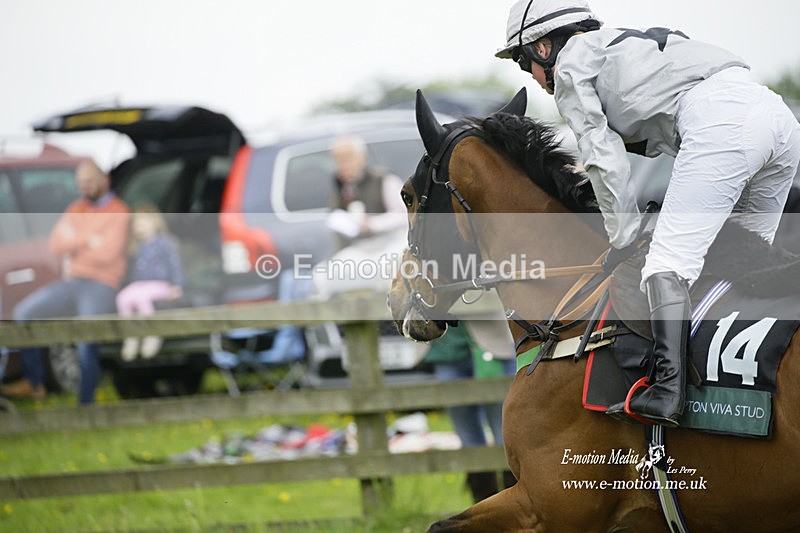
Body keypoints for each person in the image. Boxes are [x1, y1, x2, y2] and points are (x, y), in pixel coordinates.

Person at [496, 0, 800, 426]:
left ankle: (667, 393)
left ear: (543, 48)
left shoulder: (569, 68)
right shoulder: (618, 47)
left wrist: (624, 238)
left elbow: (603, 160)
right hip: (777, 118)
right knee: (741, 263)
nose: (530, 75)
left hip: (722, 124)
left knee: (664, 266)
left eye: (523, 62)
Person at [2, 160, 130, 403]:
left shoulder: (119, 211)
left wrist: (75, 240)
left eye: (89, 181)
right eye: (81, 183)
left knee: (85, 337)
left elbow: (107, 255)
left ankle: (86, 402)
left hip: (101, 283)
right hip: (71, 282)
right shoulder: (76, 208)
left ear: (104, 180)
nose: (85, 187)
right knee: (23, 314)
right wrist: (90, 239)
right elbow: (56, 245)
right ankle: (34, 382)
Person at [423, 321, 517, 502]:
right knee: (467, 437)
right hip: (446, 352)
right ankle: (482, 505)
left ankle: (514, 503)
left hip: (491, 346)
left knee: (505, 433)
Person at [116, 205, 185, 360]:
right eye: (137, 223)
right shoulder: (136, 247)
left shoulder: (165, 242)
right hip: (140, 284)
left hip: (160, 284)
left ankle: (152, 334)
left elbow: (175, 264)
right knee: (122, 298)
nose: (140, 227)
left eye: (144, 222)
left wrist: (178, 285)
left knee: (142, 298)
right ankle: (131, 336)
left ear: (155, 222)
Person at [327, 135, 406, 250]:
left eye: (348, 158)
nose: (343, 164)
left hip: (390, 247)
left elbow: (404, 216)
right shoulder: (341, 185)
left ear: (362, 158)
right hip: (357, 250)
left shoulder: (384, 180)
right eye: (338, 159)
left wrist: (371, 224)